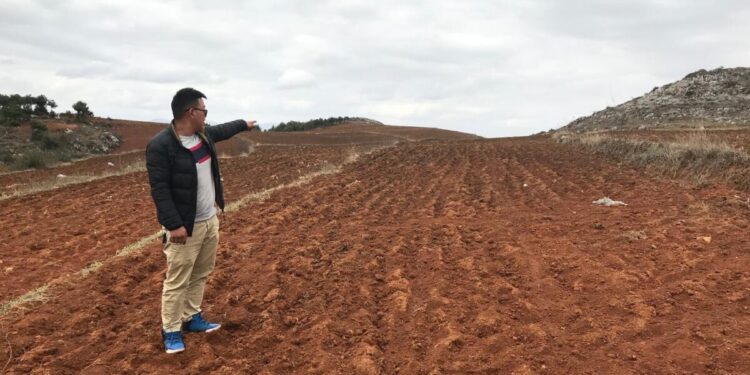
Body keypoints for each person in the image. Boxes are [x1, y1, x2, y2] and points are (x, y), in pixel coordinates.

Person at [146, 87, 256, 354]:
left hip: (209, 220)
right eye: (204, 111)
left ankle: (191, 318)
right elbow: (159, 190)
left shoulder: (203, 135)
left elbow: (224, 130)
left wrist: (243, 124)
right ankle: (171, 330)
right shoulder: (161, 146)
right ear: (190, 112)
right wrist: (174, 225)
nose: (207, 116)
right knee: (177, 279)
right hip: (184, 226)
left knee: (201, 273)